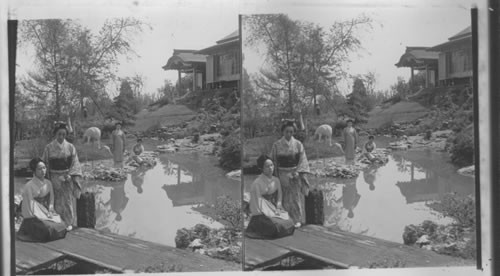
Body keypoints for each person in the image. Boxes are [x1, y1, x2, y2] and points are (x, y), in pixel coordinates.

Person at [42, 122, 83, 230]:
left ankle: (68, 222)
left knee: (67, 200)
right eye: (59, 134)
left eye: (64, 134)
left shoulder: (70, 147)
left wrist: (70, 175)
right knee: (55, 200)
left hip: (67, 176)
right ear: (55, 134)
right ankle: (57, 222)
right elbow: (44, 164)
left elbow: (75, 163)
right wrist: (46, 177)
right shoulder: (49, 148)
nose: (61, 137)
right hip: (54, 177)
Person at [270, 120, 311, 228]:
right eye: (287, 131)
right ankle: (285, 219)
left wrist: (298, 172)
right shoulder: (276, 145)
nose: (289, 134)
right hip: (281, 173)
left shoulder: (298, 144)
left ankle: (297, 219)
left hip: (294, 173)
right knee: (282, 197)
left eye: (291, 132)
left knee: (295, 198)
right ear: (283, 131)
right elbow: (273, 161)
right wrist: (274, 175)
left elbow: (302, 159)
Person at [17, 158, 68, 240]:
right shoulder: (29, 186)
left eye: (44, 168)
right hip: (33, 215)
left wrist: (50, 210)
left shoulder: (48, 183)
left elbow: (51, 199)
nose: (43, 171)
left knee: (62, 226)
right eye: (40, 169)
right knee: (48, 230)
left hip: (45, 211)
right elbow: (28, 205)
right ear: (34, 171)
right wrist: (39, 216)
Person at [246, 155, 294, 239]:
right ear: (262, 168)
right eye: (267, 166)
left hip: (273, 208)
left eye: (272, 165)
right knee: (275, 227)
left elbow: (279, 197)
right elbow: (256, 203)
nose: (270, 168)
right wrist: (269, 214)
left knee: (290, 223)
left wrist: (278, 208)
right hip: (261, 213)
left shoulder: (276, 180)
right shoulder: (257, 183)